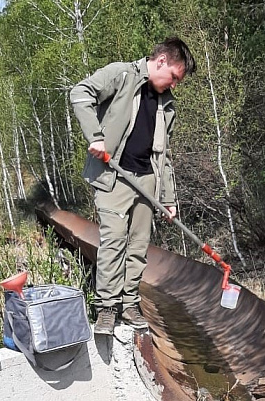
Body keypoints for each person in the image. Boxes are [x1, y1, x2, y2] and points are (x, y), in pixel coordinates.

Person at [70, 37, 196, 335]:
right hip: (113, 176)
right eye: (174, 77)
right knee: (113, 241)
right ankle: (106, 309)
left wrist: (167, 198)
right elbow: (80, 92)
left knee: (138, 246)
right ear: (161, 61)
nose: (174, 84)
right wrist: (95, 136)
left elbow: (163, 157)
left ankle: (129, 304)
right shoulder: (122, 74)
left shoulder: (168, 106)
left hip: (147, 182)